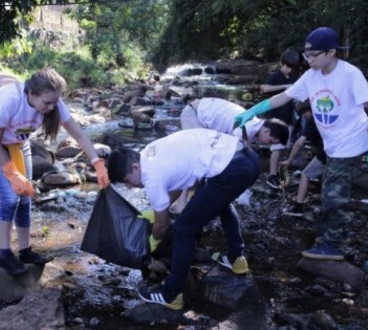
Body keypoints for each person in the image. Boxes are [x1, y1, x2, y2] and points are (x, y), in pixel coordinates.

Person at [234, 27, 368, 261]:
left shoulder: (350, 74)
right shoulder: (311, 76)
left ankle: (333, 246)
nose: (308, 60)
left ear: (331, 52)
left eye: (313, 55)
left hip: (351, 142)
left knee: (333, 194)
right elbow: (284, 97)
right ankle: (333, 233)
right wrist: (255, 110)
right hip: (332, 144)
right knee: (330, 187)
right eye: (306, 55)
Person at [0, 68, 110, 276]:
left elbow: (79, 134)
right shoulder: (12, 99)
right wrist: (12, 174)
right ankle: (4, 255)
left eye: (54, 102)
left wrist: (97, 162)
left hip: (19, 144)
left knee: (25, 196)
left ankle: (25, 251)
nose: (51, 107)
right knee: (10, 197)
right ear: (31, 93)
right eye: (46, 103)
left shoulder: (52, 102)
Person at [107, 128, 261, 310]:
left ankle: (172, 294)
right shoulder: (150, 152)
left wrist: (153, 241)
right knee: (223, 203)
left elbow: (162, 225)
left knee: (183, 230)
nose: (130, 186)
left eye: (127, 181)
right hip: (249, 159)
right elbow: (179, 185)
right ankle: (237, 259)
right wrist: (155, 210)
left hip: (231, 170)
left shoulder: (151, 178)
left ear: (134, 168)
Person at [175, 97, 289, 213]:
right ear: (267, 131)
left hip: (204, 114)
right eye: (270, 141)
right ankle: (181, 201)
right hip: (195, 114)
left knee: (207, 161)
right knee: (198, 158)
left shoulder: (255, 127)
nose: (267, 145)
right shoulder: (249, 128)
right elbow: (227, 152)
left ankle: (191, 198)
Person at [260, 49, 301, 189]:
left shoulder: (295, 78)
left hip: (289, 118)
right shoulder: (275, 76)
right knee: (277, 147)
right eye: (287, 66)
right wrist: (285, 87)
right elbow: (265, 89)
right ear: (281, 63)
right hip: (275, 119)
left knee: (286, 148)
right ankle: (272, 175)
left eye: (292, 68)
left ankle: (282, 176)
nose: (289, 70)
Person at [279, 102, 326, 217]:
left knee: (306, 174)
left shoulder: (313, 120)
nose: (305, 115)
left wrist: (289, 160)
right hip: (339, 150)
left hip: (328, 152)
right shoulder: (325, 115)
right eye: (303, 113)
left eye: (306, 112)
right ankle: (324, 208)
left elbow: (300, 141)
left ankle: (298, 207)